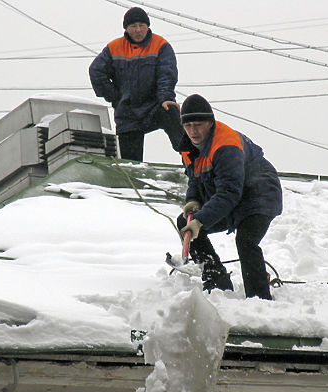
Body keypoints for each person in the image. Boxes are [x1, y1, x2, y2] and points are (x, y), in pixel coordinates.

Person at [177, 94, 283, 300]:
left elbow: (229, 192)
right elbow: (196, 179)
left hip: (259, 195)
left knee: (246, 240)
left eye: (198, 125)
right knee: (185, 223)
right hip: (234, 199)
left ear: (210, 123)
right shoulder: (189, 148)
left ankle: (260, 300)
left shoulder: (226, 146)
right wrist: (194, 200)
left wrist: (201, 220)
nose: (193, 131)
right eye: (188, 125)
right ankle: (218, 282)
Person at [89, 7, 183, 161]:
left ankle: (193, 160)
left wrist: (166, 97)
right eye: (133, 26)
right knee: (131, 162)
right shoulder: (114, 48)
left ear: (148, 26)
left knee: (171, 112)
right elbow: (96, 71)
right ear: (126, 28)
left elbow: (167, 74)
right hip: (128, 112)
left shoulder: (161, 45)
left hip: (155, 107)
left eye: (141, 25)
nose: (138, 30)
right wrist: (114, 97)